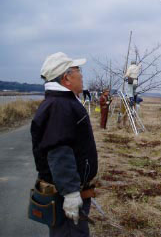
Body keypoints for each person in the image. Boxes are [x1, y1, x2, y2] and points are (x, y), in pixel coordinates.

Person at [31, 52, 98, 236]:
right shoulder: (59, 106)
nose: (82, 75)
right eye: (78, 70)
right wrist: (70, 193)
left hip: (70, 190)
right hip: (65, 195)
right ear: (66, 77)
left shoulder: (61, 102)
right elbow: (59, 151)